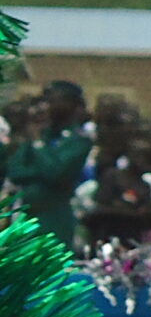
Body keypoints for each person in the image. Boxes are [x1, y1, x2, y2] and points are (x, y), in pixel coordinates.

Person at [4, 81, 92, 250]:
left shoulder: (78, 140)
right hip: (27, 216)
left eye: (53, 100)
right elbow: (15, 171)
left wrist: (37, 144)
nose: (47, 105)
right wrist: (40, 168)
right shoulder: (42, 133)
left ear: (71, 104)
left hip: (54, 217)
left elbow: (56, 174)